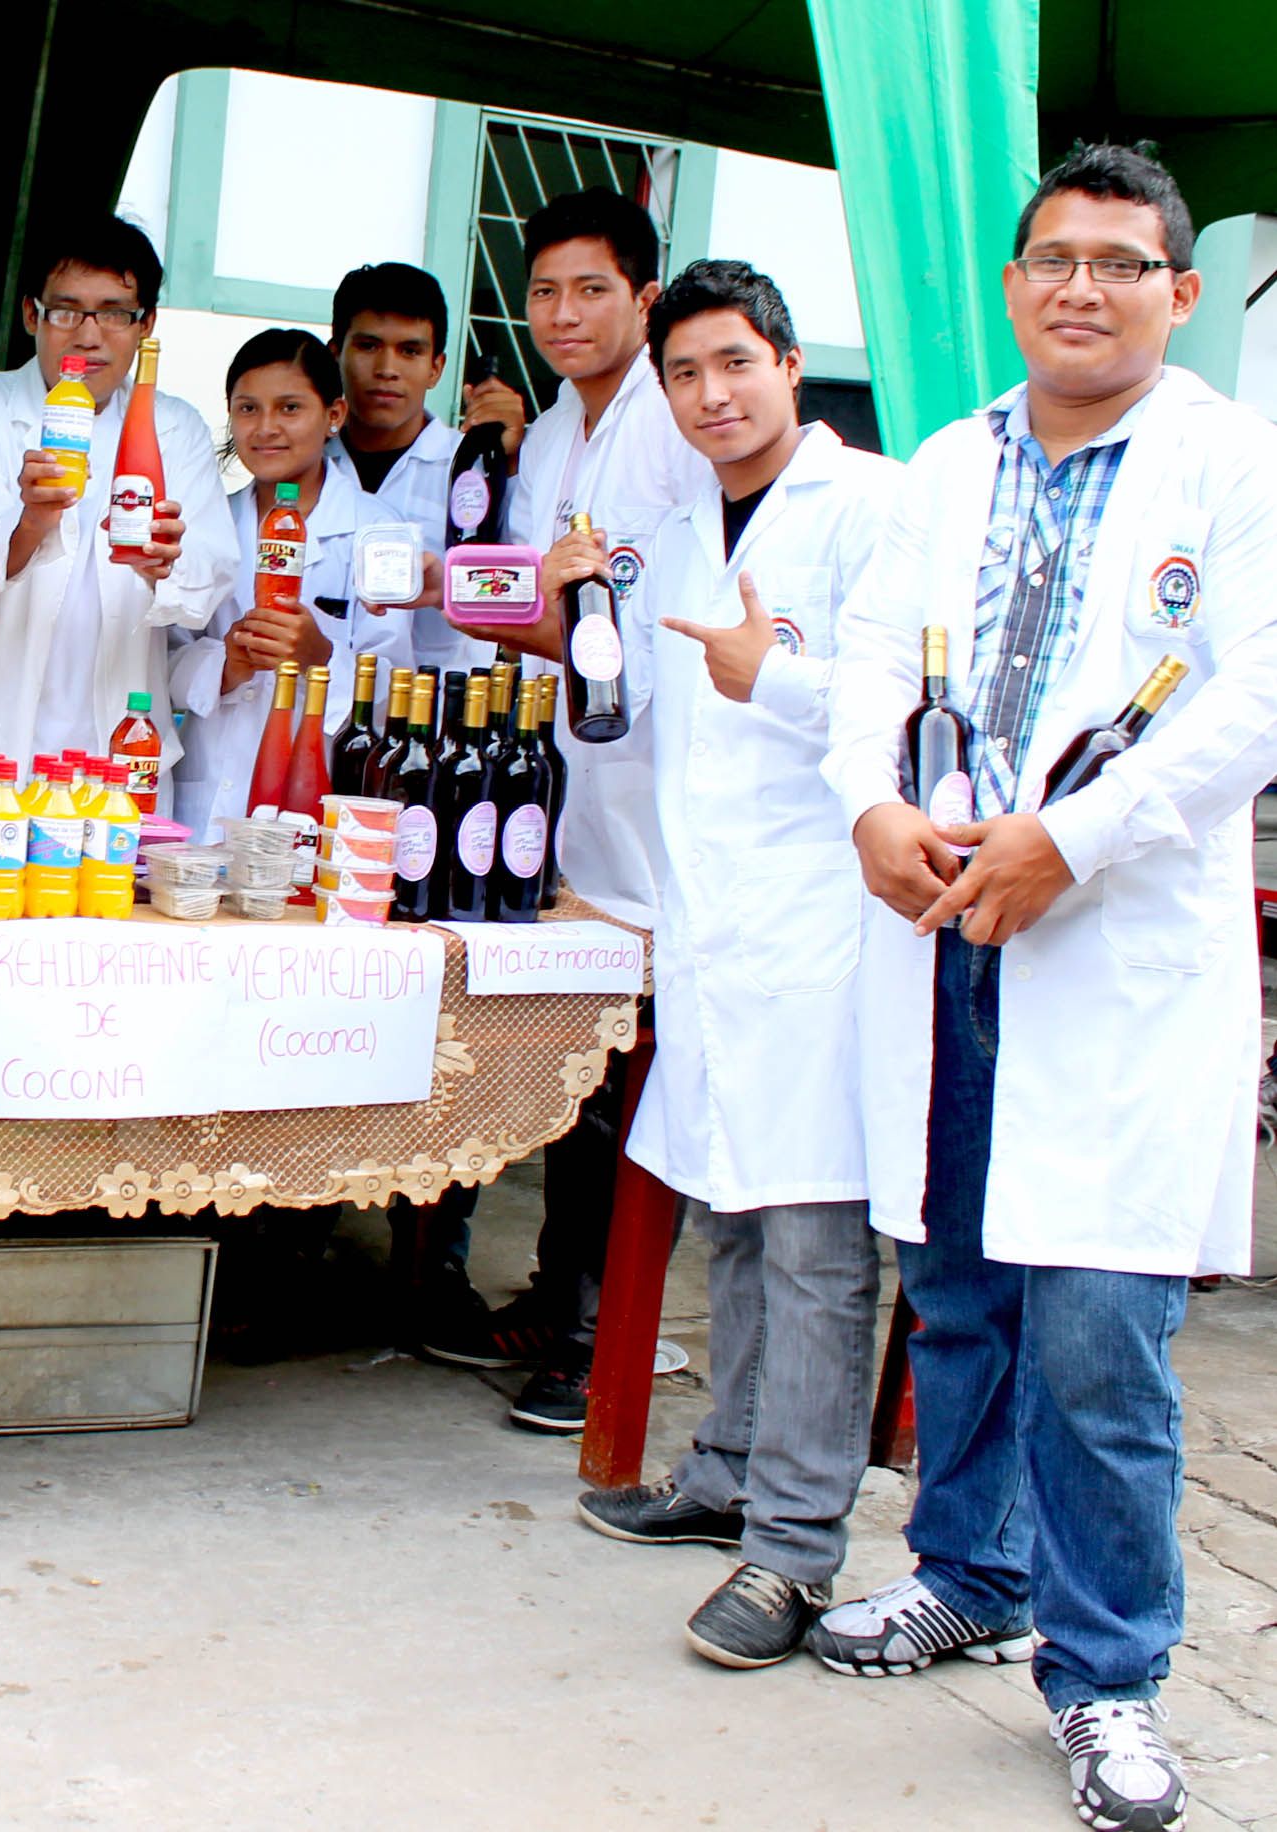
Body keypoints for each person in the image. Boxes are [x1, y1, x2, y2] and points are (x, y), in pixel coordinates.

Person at [806, 144, 1275, 1832]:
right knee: (958, 1289)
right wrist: (866, 803)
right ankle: (968, 1570)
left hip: (1107, 946)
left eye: (1116, 261)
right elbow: (862, 661)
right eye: (1050, 259)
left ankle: (1107, 1676)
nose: (1078, 286)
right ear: (1008, 286)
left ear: (1173, 290)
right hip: (941, 923)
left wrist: (1068, 843)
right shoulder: (938, 465)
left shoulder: (1228, 463)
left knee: (1095, 1331)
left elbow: (1249, 698)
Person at [569, 260, 902, 1668]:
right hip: (716, 927)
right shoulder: (674, 524)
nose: (710, 397)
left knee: (821, 1242)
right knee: (734, 1211)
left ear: (787, 361)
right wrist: (578, 609)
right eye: (685, 376)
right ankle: (728, 1467)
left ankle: (794, 1552)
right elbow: (625, 717)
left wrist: (783, 678)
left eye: (733, 366)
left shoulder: (872, 509)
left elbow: (907, 708)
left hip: (828, 928)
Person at [437, 188, 714, 1431]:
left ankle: (614, 1329)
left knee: (640, 1064)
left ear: (643, 298)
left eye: (590, 288)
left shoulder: (672, 424)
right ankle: (560, 1291)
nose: (561, 313)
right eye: (543, 290)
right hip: (574, 778)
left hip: (662, 783)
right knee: (583, 1055)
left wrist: (550, 616)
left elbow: (647, 623)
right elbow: (551, 611)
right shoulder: (552, 434)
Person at [0, 214, 232, 770]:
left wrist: (164, 563)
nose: (88, 335)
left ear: (146, 324)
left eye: (113, 313)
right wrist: (31, 520)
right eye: (66, 311)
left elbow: (209, 578)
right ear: (31, 314)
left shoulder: (175, 427)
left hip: (116, 744)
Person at [166, 328, 410, 840]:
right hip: (210, 795)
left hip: (315, 799)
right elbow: (163, 657)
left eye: (290, 408)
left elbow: (395, 692)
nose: (266, 428)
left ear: (334, 417)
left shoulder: (378, 532)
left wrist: (321, 656)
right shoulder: (208, 523)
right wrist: (227, 665)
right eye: (248, 409)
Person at [326, 261, 524, 673]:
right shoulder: (307, 462)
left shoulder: (474, 469)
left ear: (436, 367)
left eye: (410, 351)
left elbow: (517, 593)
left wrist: (513, 463)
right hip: (307, 708)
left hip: (435, 720)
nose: (387, 369)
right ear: (335, 354)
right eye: (368, 346)